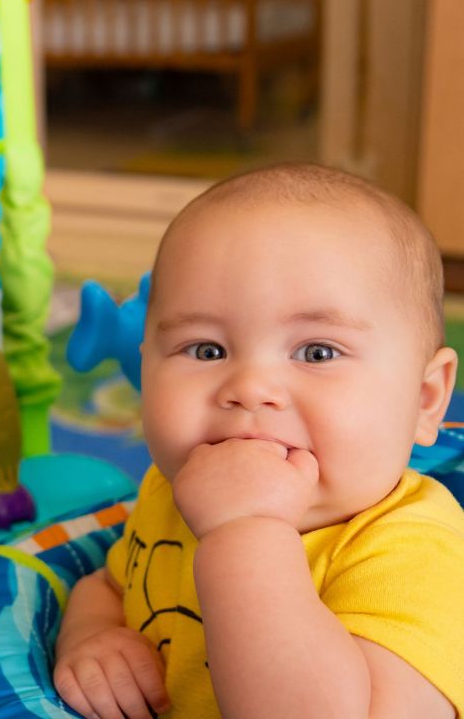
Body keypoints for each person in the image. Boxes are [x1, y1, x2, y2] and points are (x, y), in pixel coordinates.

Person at [53, 162, 464, 719]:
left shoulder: (411, 556)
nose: (249, 389)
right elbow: (109, 581)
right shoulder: (175, 487)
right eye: (205, 350)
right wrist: (94, 637)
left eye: (317, 352)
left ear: (424, 401)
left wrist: (246, 533)